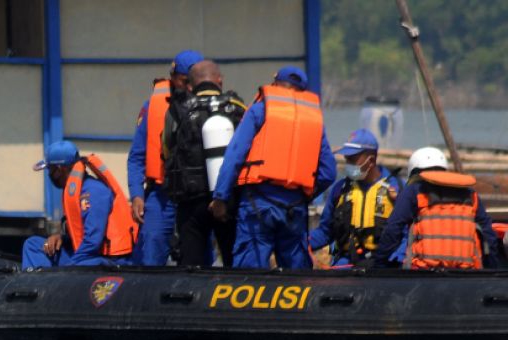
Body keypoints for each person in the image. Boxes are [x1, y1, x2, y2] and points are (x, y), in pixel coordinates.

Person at [209, 66, 336, 269]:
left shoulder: (260, 109)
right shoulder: (313, 119)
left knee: (249, 274)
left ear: (275, 84)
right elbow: (328, 172)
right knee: (297, 277)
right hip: (294, 207)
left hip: (257, 203)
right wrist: (305, 194)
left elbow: (234, 155)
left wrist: (220, 197)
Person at [163, 59, 246, 267]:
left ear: (190, 86)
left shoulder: (177, 110)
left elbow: (167, 148)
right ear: (220, 80)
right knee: (233, 260)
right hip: (228, 199)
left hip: (192, 202)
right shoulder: (236, 106)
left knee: (191, 263)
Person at [126, 49, 204, 265]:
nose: (189, 87)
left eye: (193, 81)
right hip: (162, 195)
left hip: (198, 196)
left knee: (201, 257)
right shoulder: (153, 106)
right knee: (152, 245)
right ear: (172, 78)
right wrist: (136, 195)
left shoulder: (210, 105)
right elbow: (136, 157)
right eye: (184, 81)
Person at [373, 146, 499, 269]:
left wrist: (379, 264)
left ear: (414, 172)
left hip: (423, 273)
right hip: (466, 272)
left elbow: (393, 229)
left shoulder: (413, 191)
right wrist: (492, 268)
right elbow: (488, 234)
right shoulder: (470, 194)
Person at [22, 141, 137, 269]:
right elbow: (78, 234)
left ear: (59, 169)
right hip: (85, 255)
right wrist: (61, 238)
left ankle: (55, 281)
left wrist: (69, 268)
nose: (49, 174)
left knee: (82, 263)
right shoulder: (73, 192)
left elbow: (93, 242)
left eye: (50, 169)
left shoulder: (94, 192)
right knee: (33, 245)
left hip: (107, 260)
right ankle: (37, 283)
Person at [309, 129, 404, 267]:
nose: (347, 163)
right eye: (346, 159)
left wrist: (398, 258)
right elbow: (325, 232)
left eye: (352, 159)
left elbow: (406, 231)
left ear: (371, 160)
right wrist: (303, 242)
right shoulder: (339, 190)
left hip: (383, 265)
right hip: (346, 263)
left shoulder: (396, 188)